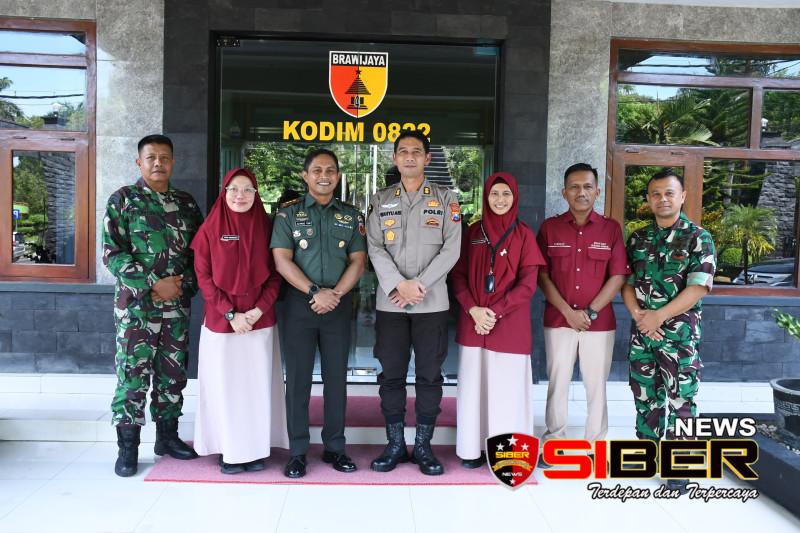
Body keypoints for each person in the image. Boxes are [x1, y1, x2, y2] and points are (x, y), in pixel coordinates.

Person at [103, 134, 203, 477]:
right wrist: (152, 284)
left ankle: (168, 437)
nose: (158, 163)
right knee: (132, 376)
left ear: (173, 162)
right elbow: (112, 253)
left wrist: (181, 285)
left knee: (172, 374)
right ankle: (128, 448)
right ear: (139, 162)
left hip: (176, 306)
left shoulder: (186, 203)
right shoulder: (122, 200)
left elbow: (200, 254)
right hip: (136, 309)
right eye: (151, 158)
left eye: (164, 157)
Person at [367, 130, 462, 476]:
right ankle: (395, 444)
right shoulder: (380, 200)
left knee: (429, 377)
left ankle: (423, 446)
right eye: (403, 151)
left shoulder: (447, 200)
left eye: (416, 151)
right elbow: (374, 247)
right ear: (395, 158)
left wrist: (418, 285)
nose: (409, 156)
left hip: (431, 303)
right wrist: (398, 284)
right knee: (391, 376)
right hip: (391, 304)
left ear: (427, 158)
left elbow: (452, 249)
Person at [271, 148, 367, 479]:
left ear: (337, 176)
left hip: (337, 306)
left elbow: (358, 261)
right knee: (298, 380)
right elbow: (282, 260)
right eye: (317, 170)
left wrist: (335, 294)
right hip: (299, 305)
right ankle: (297, 451)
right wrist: (315, 292)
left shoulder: (352, 217)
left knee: (336, 379)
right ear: (305, 176)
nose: (323, 176)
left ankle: (335, 447)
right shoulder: (287, 216)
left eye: (330, 171)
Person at [622, 168, 716, 494]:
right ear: (649, 199)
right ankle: (644, 454)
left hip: (679, 337)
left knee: (681, 399)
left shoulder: (698, 237)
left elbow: (699, 287)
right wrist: (639, 317)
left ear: (682, 196)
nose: (663, 199)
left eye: (669, 193)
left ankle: (681, 464)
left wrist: (658, 317)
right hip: (643, 335)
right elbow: (627, 283)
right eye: (656, 194)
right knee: (645, 395)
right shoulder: (638, 238)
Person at [190, 168, 288, 474]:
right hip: (222, 324)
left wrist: (257, 311)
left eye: (248, 189)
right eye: (233, 189)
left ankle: (255, 450)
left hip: (260, 322)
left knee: (256, 388)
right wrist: (230, 314)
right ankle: (228, 451)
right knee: (225, 388)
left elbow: (276, 275)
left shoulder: (268, 228)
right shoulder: (210, 228)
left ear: (257, 194)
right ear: (224, 192)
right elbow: (204, 277)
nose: (240, 195)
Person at [536, 163, 630, 468]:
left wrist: (588, 312)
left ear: (597, 191)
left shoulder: (611, 229)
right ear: (564, 192)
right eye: (574, 187)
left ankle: (596, 445)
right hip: (558, 321)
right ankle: (554, 441)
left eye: (588, 186)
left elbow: (618, 276)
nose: (581, 192)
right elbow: (541, 275)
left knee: (596, 385)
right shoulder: (549, 228)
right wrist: (568, 312)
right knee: (558, 382)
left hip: (598, 324)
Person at [452, 172, 546, 468]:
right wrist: (474, 310)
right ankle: (473, 449)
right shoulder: (473, 232)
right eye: (494, 194)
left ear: (515, 198)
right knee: (474, 389)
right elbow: (458, 276)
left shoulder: (524, 234)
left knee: (507, 390)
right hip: (473, 323)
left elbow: (528, 284)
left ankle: (507, 453)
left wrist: (494, 312)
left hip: (509, 325)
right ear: (486, 197)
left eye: (506, 194)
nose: (500, 199)